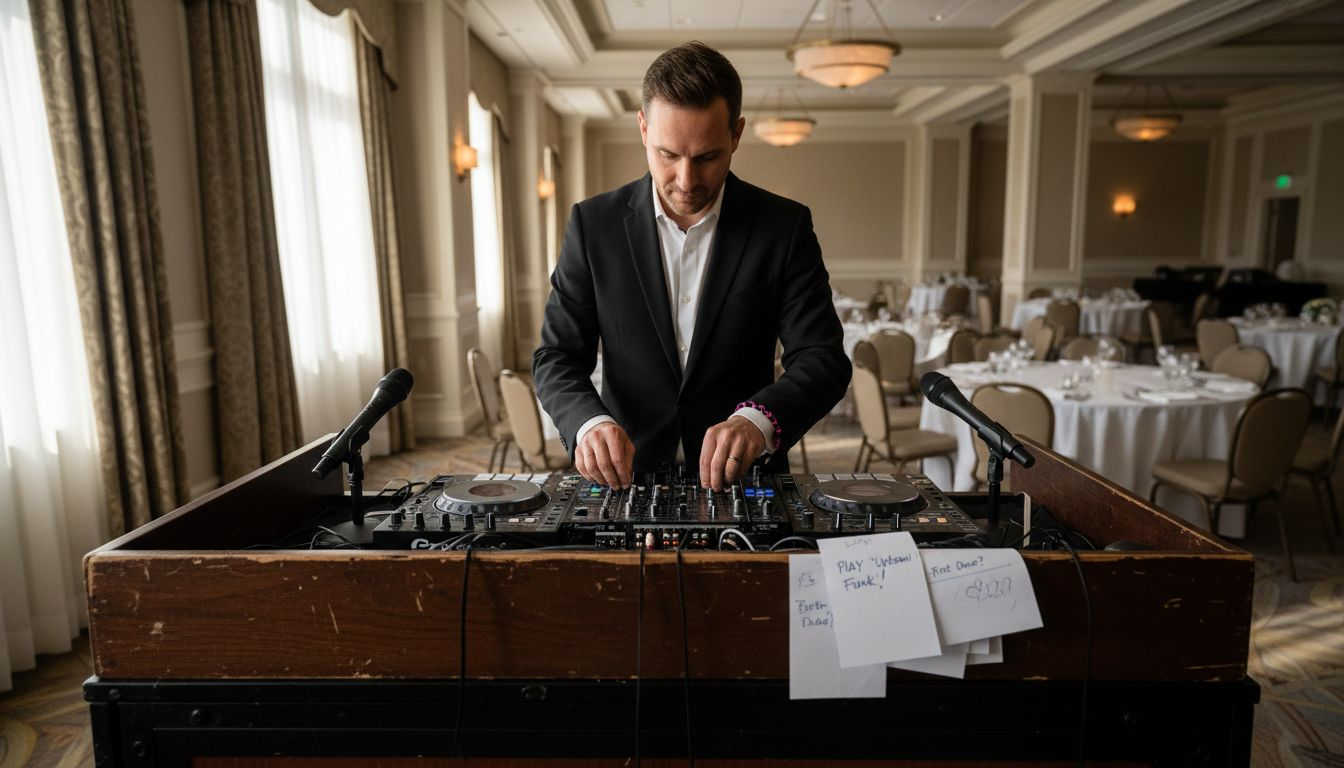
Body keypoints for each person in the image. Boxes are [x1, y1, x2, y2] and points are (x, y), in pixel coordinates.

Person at [532, 41, 849, 491]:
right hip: (626, 479)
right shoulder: (592, 225)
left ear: (736, 135)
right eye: (667, 154)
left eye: (706, 157)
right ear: (643, 129)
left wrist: (756, 421)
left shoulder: (784, 227)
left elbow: (823, 359)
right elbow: (556, 356)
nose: (685, 180)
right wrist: (588, 423)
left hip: (745, 480)